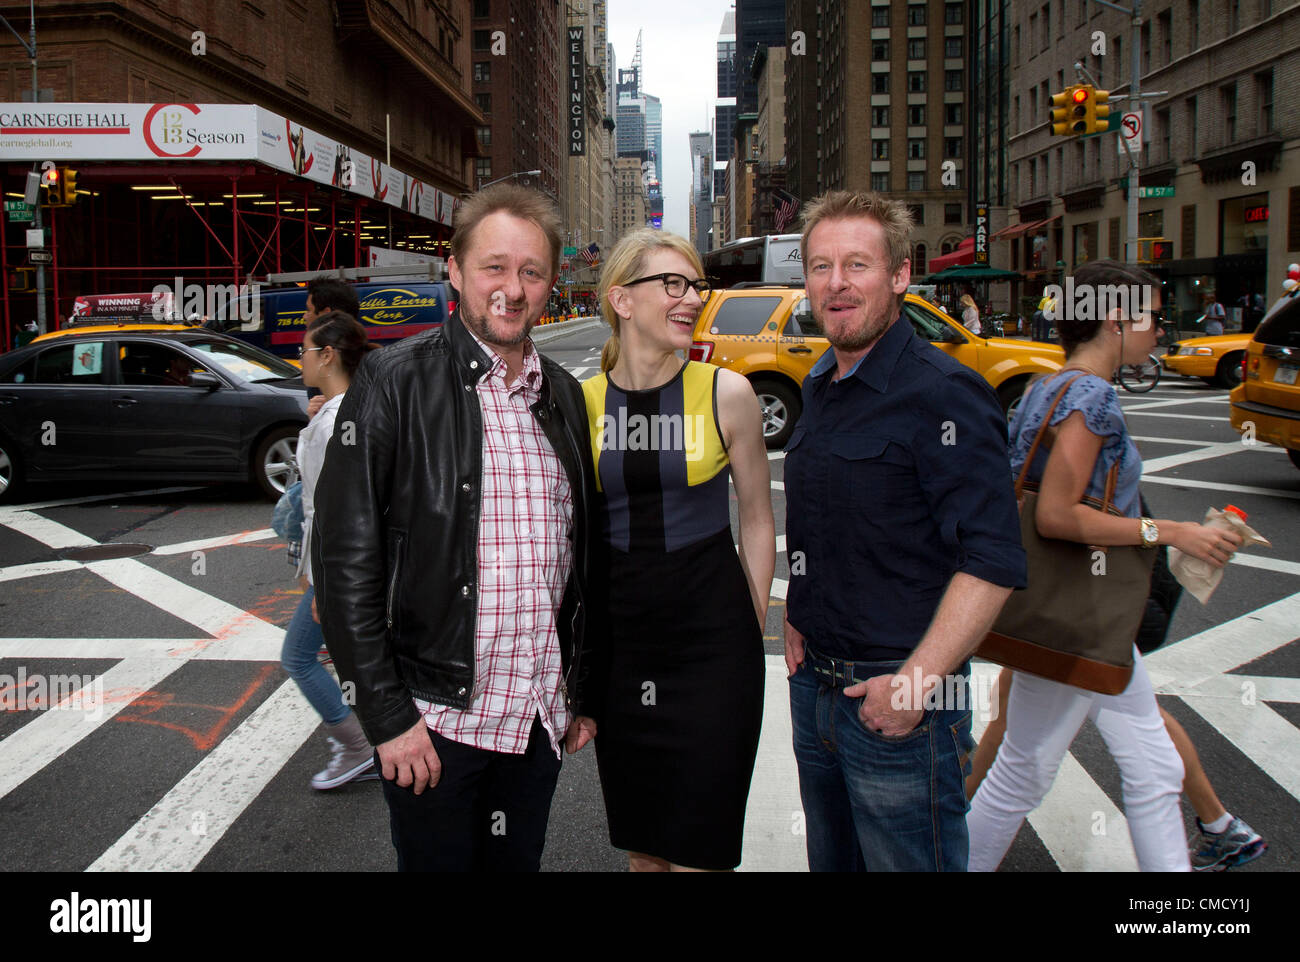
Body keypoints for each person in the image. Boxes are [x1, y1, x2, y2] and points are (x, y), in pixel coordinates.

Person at [311, 183, 598, 872]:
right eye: (494, 267)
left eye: (531, 271)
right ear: (456, 271)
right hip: (435, 727)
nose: (513, 287)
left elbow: (582, 558)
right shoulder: (391, 381)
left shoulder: (563, 394)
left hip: (533, 724)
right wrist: (387, 721)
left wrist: (580, 692)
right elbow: (344, 567)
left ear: (550, 282)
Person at [966, 259, 1245, 873]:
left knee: (1153, 765)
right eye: (1151, 315)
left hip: (1081, 611)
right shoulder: (1090, 396)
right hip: (1079, 610)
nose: (1160, 329)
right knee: (1024, 771)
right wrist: (1168, 531)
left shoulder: (1050, 384)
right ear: (1115, 322)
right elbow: (1057, 516)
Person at [783, 190, 1028, 872]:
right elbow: (828, 520)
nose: (836, 283)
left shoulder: (944, 393)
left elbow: (993, 557)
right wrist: (800, 613)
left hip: (899, 705)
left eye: (857, 265)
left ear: (899, 275)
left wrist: (916, 685)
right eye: (821, 266)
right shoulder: (821, 383)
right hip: (817, 694)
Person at [575, 230, 774, 872]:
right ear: (622, 301)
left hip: (714, 649)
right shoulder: (579, 404)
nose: (690, 299)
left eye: (694, 286)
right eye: (672, 284)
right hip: (622, 653)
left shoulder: (727, 393)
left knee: (699, 851)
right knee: (644, 849)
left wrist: (753, 617)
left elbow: (757, 518)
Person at [281, 310, 378, 789]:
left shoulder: (331, 423)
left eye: (304, 350)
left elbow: (326, 512)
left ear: (328, 355)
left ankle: (357, 746)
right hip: (361, 565)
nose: (299, 359)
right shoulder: (355, 408)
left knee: (298, 656)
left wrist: (317, 578)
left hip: (339, 570)